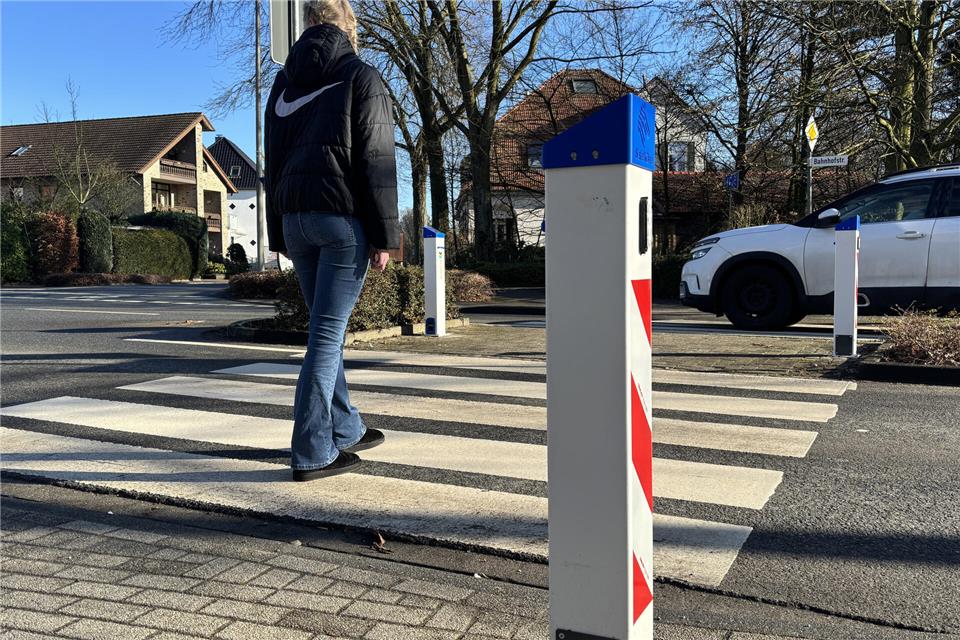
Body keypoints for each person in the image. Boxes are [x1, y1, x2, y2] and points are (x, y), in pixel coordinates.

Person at [264, 0, 399, 481]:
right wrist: (384, 236)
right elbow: (376, 160)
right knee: (326, 336)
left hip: (295, 222)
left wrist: (278, 232)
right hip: (342, 223)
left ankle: (345, 426)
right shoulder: (361, 75)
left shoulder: (283, 83)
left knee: (326, 332)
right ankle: (312, 449)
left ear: (306, 24)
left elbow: (273, 160)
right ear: (349, 27)